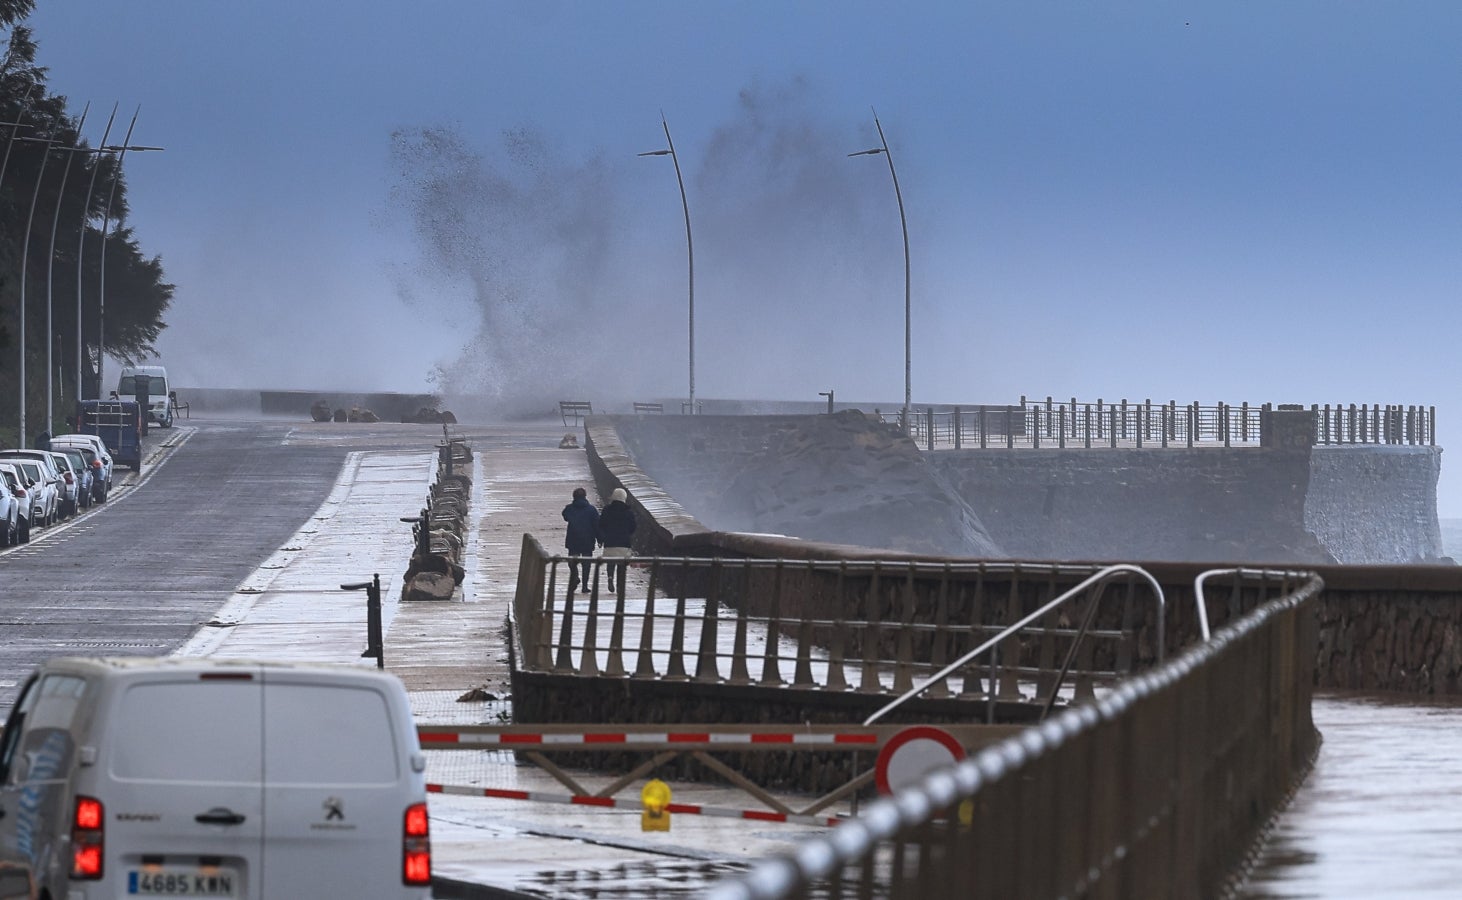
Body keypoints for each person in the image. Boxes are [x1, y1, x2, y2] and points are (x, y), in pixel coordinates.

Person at [597, 487, 636, 592]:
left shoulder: (607, 510)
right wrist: (627, 534)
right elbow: (633, 527)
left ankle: (610, 577)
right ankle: (619, 585)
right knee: (621, 564)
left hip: (610, 540)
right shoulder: (628, 512)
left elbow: (601, 524)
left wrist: (601, 538)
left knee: (611, 561)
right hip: (624, 542)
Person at [561, 487, 599, 592]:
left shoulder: (569, 508)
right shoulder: (591, 510)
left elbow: (565, 516)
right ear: (585, 496)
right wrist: (600, 538)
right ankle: (585, 586)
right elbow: (597, 526)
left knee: (572, 561)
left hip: (573, 539)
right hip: (587, 540)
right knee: (586, 564)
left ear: (574, 497)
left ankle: (575, 576)